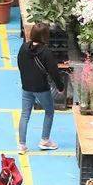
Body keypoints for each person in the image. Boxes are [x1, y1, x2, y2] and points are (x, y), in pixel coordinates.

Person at [16, 25, 66, 153]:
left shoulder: (24, 47)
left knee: (25, 115)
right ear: (45, 36)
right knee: (49, 111)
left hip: (26, 86)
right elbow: (54, 71)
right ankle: (45, 140)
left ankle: (22, 145)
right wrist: (60, 87)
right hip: (41, 88)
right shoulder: (46, 52)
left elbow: (19, 63)